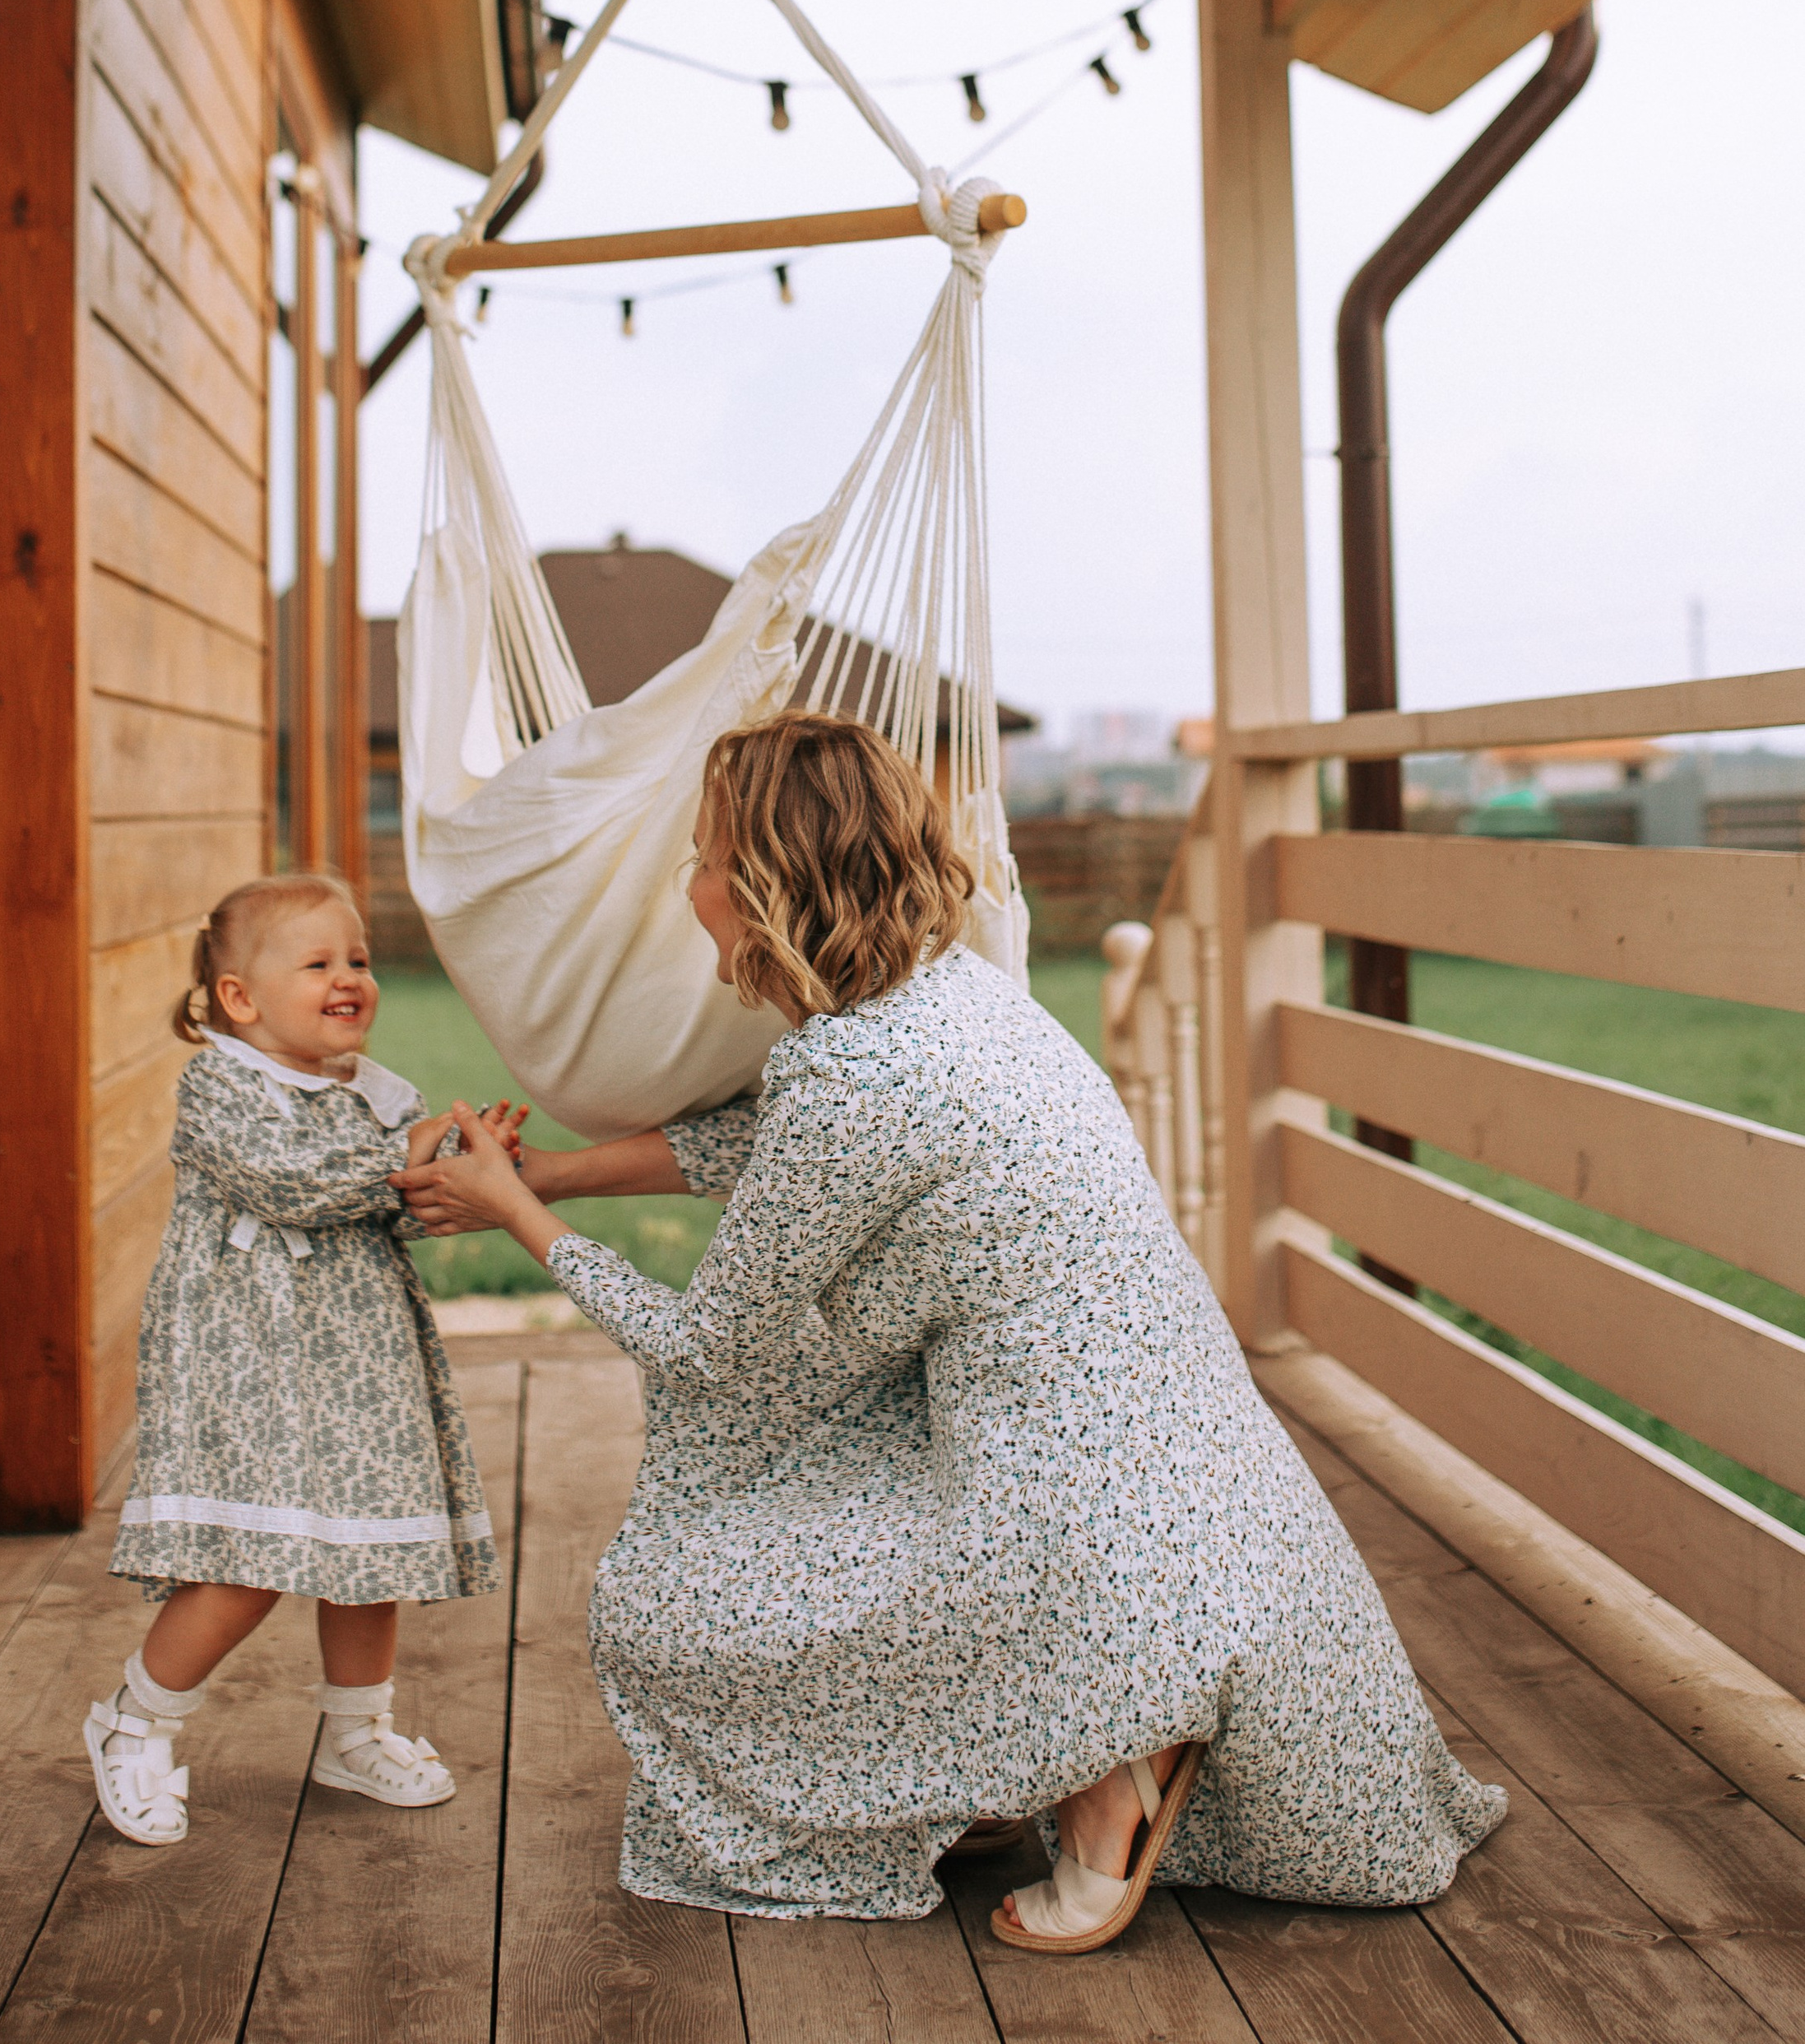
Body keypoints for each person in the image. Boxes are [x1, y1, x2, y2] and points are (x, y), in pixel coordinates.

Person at [403, 713, 1505, 1948]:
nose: (692, 885)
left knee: (675, 1604)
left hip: (1062, 1504)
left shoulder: (854, 1075)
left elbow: (710, 1354)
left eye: (706, 855)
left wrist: (512, 1212)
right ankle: (1004, 1748)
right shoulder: (952, 998)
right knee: (815, 1496)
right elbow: (777, 1147)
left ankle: (1107, 1767)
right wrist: (554, 1174)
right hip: (1165, 1447)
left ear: (770, 881)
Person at [87, 871, 521, 1848]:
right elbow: (295, 1186)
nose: (350, 978)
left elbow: (384, 1216)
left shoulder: (367, 1096)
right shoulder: (223, 1086)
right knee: (246, 1560)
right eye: (319, 962)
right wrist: (411, 1158)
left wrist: (457, 1162)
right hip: (249, 1365)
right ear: (239, 998)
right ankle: (136, 1719)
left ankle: (356, 1732)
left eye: (359, 960)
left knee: (366, 1557)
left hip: (358, 1367)